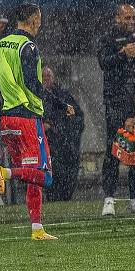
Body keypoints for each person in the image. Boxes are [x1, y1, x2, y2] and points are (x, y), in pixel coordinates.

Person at [0, 3, 57, 240]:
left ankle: (37, 228)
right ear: (33, 20)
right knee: (45, 175)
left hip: (6, 119)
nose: (40, 24)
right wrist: (56, 103)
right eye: (39, 19)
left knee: (31, 174)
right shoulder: (28, 46)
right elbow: (33, 85)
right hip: (27, 117)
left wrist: (0, 83)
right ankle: (4, 172)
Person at [97, 3, 135, 217]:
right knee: (114, 149)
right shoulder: (107, 40)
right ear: (117, 18)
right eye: (127, 18)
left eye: (133, 18)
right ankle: (109, 199)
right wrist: (122, 54)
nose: (131, 21)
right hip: (115, 102)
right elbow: (103, 62)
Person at [42, 66, 84, 202]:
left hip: (64, 145)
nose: (46, 79)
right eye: (44, 76)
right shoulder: (37, 98)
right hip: (49, 146)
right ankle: (52, 197)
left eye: (49, 76)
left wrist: (61, 128)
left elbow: (77, 117)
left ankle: (64, 197)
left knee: (67, 174)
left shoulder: (63, 95)